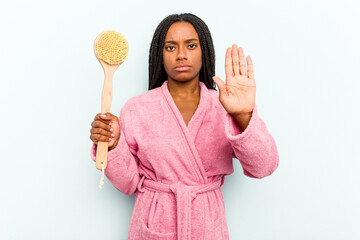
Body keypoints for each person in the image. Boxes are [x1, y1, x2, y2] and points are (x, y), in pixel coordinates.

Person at [90, 13, 279, 240]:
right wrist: (112, 144)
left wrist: (242, 114)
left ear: (204, 51)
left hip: (207, 227)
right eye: (171, 48)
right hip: (153, 224)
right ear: (159, 54)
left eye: (191, 45)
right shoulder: (136, 109)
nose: (181, 55)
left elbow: (264, 166)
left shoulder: (223, 106)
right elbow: (127, 184)